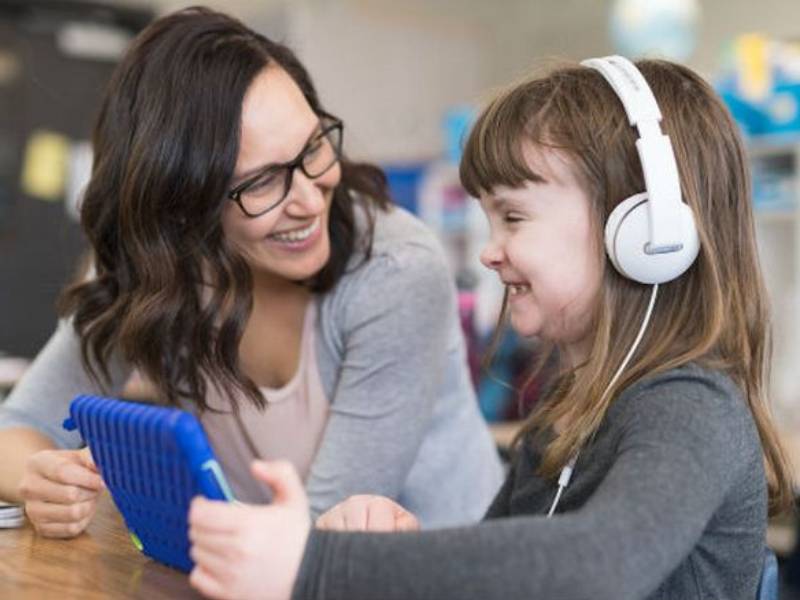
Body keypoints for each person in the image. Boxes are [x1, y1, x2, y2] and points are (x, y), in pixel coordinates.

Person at [187, 56, 795, 600]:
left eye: (513, 217)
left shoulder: (690, 407)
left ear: (643, 232)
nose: (490, 252)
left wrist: (319, 565)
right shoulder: (565, 419)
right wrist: (390, 549)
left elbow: (600, 563)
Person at [0, 7, 503, 538]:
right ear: (181, 204)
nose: (310, 199)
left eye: (312, 148)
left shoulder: (395, 273)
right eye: (262, 182)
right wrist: (40, 477)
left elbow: (323, 540)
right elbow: (17, 427)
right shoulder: (156, 271)